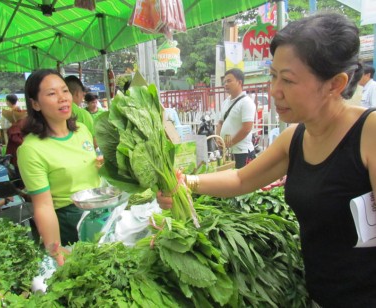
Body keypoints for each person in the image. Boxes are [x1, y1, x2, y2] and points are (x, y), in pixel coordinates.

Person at [157, 13, 376, 307]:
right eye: (273, 76)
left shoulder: (369, 133)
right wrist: (186, 183)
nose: (274, 90)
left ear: (335, 84)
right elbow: (240, 179)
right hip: (320, 296)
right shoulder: (295, 139)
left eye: (287, 79)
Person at [17, 69, 102, 265]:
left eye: (64, 91)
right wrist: (55, 249)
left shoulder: (81, 131)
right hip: (68, 222)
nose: (63, 98)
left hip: (99, 213)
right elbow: (44, 206)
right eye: (51, 94)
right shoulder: (31, 150)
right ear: (35, 104)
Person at [216, 68, 256, 168]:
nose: (226, 84)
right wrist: (218, 139)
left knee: (244, 182)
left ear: (239, 82)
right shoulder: (226, 102)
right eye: (225, 82)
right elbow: (220, 122)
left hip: (242, 152)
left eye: (229, 81)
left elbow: (247, 128)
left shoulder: (246, 102)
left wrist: (230, 143)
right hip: (228, 152)